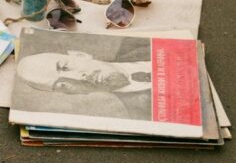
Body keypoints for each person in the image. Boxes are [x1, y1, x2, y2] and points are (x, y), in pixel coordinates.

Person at [16, 49, 152, 120]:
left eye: (65, 67)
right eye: (62, 85)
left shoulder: (137, 45)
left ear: (80, 55)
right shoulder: (141, 114)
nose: (78, 78)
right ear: (72, 94)